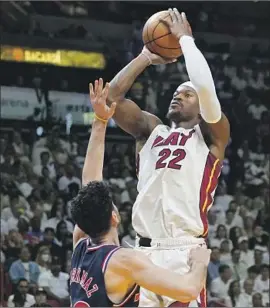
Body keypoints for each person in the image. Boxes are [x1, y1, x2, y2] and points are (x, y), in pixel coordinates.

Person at [105, 8, 230, 307]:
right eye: (176, 92)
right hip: (142, 252)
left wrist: (185, 40)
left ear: (202, 109)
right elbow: (110, 100)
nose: (179, 95)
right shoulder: (150, 131)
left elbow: (206, 91)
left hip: (183, 252)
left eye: (187, 94)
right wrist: (145, 57)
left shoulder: (211, 137)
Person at [70, 80, 211, 307]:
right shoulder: (124, 260)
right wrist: (200, 263)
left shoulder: (81, 248)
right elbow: (188, 290)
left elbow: (90, 183)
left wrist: (101, 121)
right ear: (115, 217)